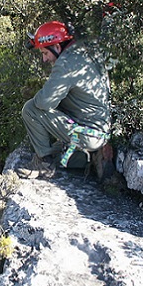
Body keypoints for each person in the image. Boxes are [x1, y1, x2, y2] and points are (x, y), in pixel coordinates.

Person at [19, 20, 111, 178]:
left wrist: (40, 93)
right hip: (99, 130)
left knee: (31, 108)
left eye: (45, 53)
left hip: (89, 134)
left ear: (56, 47)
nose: (44, 59)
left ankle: (43, 164)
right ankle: (82, 156)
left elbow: (44, 102)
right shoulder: (83, 51)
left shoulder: (66, 64)